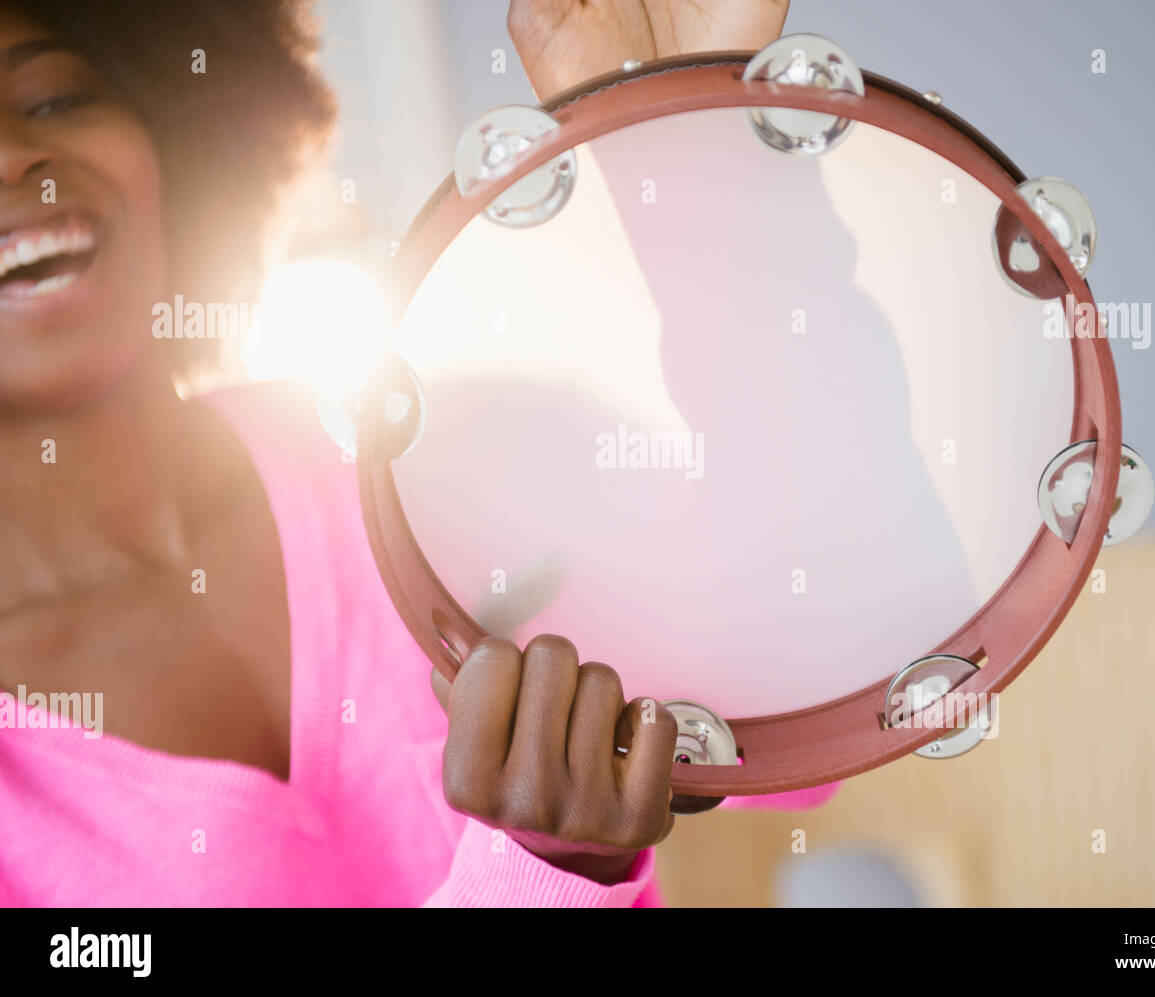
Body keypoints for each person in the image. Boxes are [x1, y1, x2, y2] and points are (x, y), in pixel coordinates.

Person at [0, 0, 832, 907]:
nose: (15, 157)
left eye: (54, 99)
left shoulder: (404, 436)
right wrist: (541, 873)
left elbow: (806, 718)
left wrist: (688, 141)